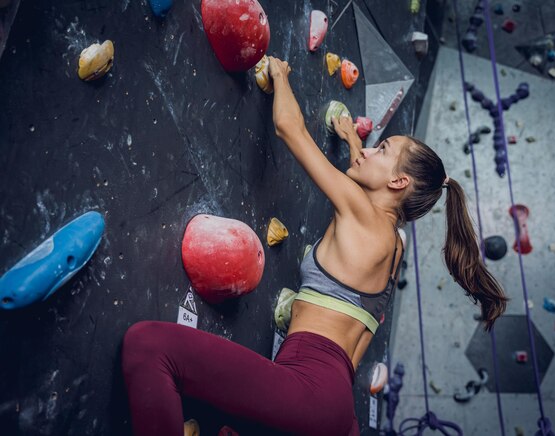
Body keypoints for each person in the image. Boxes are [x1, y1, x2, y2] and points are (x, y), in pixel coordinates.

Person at [122, 56, 507, 436]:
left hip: (309, 392)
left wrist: (281, 74)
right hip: (337, 416)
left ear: (398, 183)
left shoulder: (360, 213)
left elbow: (289, 128)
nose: (371, 150)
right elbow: (369, 189)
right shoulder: (394, 249)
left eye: (383, 148)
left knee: (149, 346)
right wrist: (354, 142)